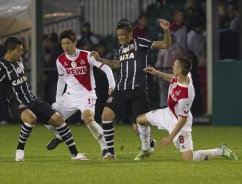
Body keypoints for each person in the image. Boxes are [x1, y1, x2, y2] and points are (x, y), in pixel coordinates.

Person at [0, 37, 88, 161]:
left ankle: (75, 154)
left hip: (32, 99)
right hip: (17, 102)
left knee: (58, 119)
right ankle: (19, 149)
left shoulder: (19, 60)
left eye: (21, 50)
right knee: (31, 119)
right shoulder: (1, 68)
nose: (21, 53)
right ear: (9, 51)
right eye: (18, 51)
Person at [92, 18, 171, 159]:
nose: (120, 37)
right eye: (118, 35)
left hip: (138, 90)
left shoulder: (140, 42)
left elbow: (165, 44)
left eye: (123, 34)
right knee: (106, 115)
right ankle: (110, 153)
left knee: (137, 128)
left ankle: (148, 144)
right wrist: (99, 59)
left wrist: (166, 30)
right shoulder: (121, 49)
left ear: (130, 33)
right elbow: (117, 64)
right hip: (121, 90)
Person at [135, 56, 238, 161]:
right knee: (140, 120)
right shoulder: (184, 75)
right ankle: (146, 148)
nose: (172, 66)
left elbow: (183, 119)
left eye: (175, 65)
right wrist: (157, 73)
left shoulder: (186, 93)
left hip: (180, 123)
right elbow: (173, 78)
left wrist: (170, 138)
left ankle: (221, 151)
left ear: (179, 70)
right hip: (168, 113)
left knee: (189, 159)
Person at [44, 30, 115, 157]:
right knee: (46, 116)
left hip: (86, 95)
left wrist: (112, 85)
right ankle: (60, 135)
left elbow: (106, 68)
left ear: (75, 42)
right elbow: (61, 80)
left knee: (87, 118)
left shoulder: (87, 56)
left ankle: (105, 149)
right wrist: (58, 98)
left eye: (68, 43)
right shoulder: (60, 60)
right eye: (63, 43)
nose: (65, 46)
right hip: (69, 96)